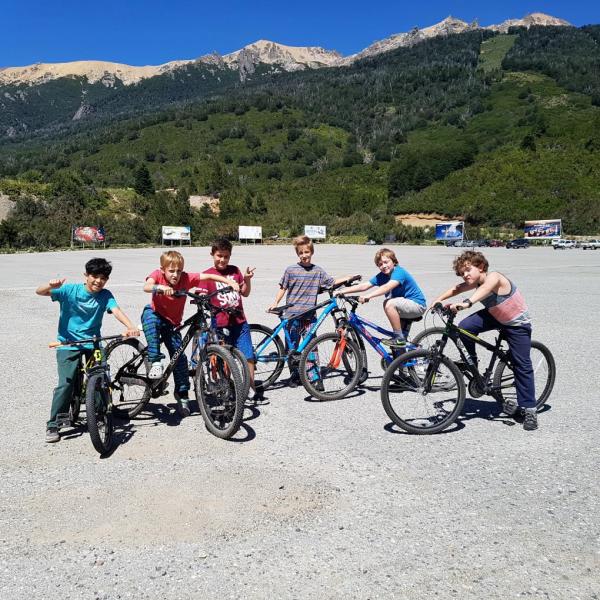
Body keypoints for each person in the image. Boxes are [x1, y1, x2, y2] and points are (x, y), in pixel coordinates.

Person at [36, 258, 139, 443]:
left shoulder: (105, 295)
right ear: (86, 275)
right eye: (95, 276)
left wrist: (131, 326)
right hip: (67, 344)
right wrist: (50, 285)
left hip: (93, 343)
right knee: (66, 384)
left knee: (99, 377)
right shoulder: (70, 290)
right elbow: (40, 292)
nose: (98, 281)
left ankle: (99, 415)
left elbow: (116, 311)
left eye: (103, 278)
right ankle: (53, 424)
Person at [433, 250, 538, 431]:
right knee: (464, 328)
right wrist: (438, 300)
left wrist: (466, 303)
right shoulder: (474, 282)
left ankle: (529, 409)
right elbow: (457, 289)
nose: (465, 275)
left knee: (522, 364)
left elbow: (485, 290)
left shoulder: (494, 277)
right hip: (495, 316)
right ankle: (471, 364)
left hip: (517, 324)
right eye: (461, 273)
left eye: (467, 270)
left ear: (481, 267)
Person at [142, 250, 239, 417]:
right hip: (155, 314)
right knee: (151, 323)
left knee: (180, 359)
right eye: (171, 271)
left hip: (172, 323)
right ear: (163, 269)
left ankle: (182, 395)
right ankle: (155, 361)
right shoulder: (158, 275)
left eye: (179, 271)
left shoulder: (186, 278)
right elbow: (147, 286)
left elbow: (207, 277)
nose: (175, 274)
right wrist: (160, 287)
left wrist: (229, 282)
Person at [268, 234, 354, 386]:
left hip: (309, 317)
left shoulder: (318, 271)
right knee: (292, 348)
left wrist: (347, 277)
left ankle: (315, 378)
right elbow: (283, 288)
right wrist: (275, 302)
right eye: (301, 253)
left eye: (306, 252)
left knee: (311, 348)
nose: (304, 255)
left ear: (311, 252)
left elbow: (331, 282)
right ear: (297, 254)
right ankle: (295, 375)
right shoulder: (291, 270)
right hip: (292, 316)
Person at [197, 238, 258, 397]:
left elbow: (245, 292)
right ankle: (226, 386)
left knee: (248, 356)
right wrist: (200, 295)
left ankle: (250, 387)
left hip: (239, 321)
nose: (222, 259)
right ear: (212, 254)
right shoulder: (208, 275)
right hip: (220, 323)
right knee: (224, 359)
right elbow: (201, 294)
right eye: (219, 256)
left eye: (226, 256)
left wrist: (247, 280)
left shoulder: (235, 270)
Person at [338, 248, 426, 347]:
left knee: (388, 304)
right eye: (380, 264)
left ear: (394, 261)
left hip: (417, 305)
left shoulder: (399, 272)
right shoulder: (382, 276)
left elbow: (386, 287)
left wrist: (368, 296)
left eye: (386, 262)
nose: (383, 266)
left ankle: (399, 338)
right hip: (403, 306)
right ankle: (401, 358)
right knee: (396, 347)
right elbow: (365, 285)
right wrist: (341, 291)